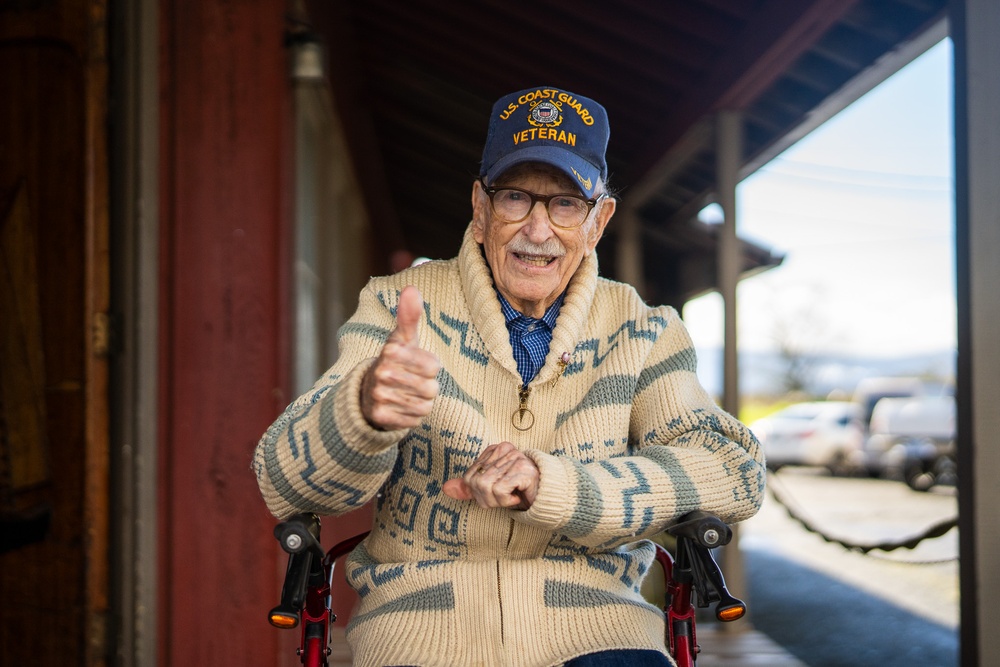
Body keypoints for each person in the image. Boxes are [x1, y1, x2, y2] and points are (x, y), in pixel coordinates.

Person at [253, 86, 766, 667]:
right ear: (479, 206)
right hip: (425, 634)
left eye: (566, 204)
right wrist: (364, 413)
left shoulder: (643, 330)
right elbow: (285, 482)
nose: (538, 229)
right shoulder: (397, 306)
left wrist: (553, 487)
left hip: (599, 631)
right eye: (516, 198)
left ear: (600, 219)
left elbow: (734, 471)